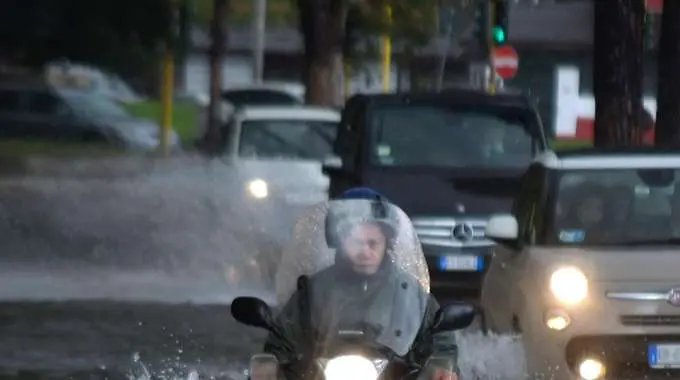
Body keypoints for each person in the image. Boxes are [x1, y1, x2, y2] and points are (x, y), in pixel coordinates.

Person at [263, 187, 460, 380]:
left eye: (373, 243)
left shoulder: (408, 292)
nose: (365, 251)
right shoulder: (314, 290)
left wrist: (441, 364)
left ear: (387, 243)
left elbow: (440, 338)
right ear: (338, 241)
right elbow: (282, 337)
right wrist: (271, 362)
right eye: (356, 242)